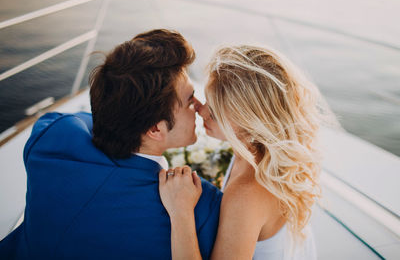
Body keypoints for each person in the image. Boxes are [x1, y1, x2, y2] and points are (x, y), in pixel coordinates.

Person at [0, 29, 222, 259]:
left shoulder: (51, 134)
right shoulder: (202, 209)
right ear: (155, 129)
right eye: (189, 100)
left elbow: (84, 121)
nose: (199, 105)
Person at [159, 45, 331, 259]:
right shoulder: (260, 154)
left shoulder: (246, 193)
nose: (201, 110)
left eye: (215, 111)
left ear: (250, 123)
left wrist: (180, 212)